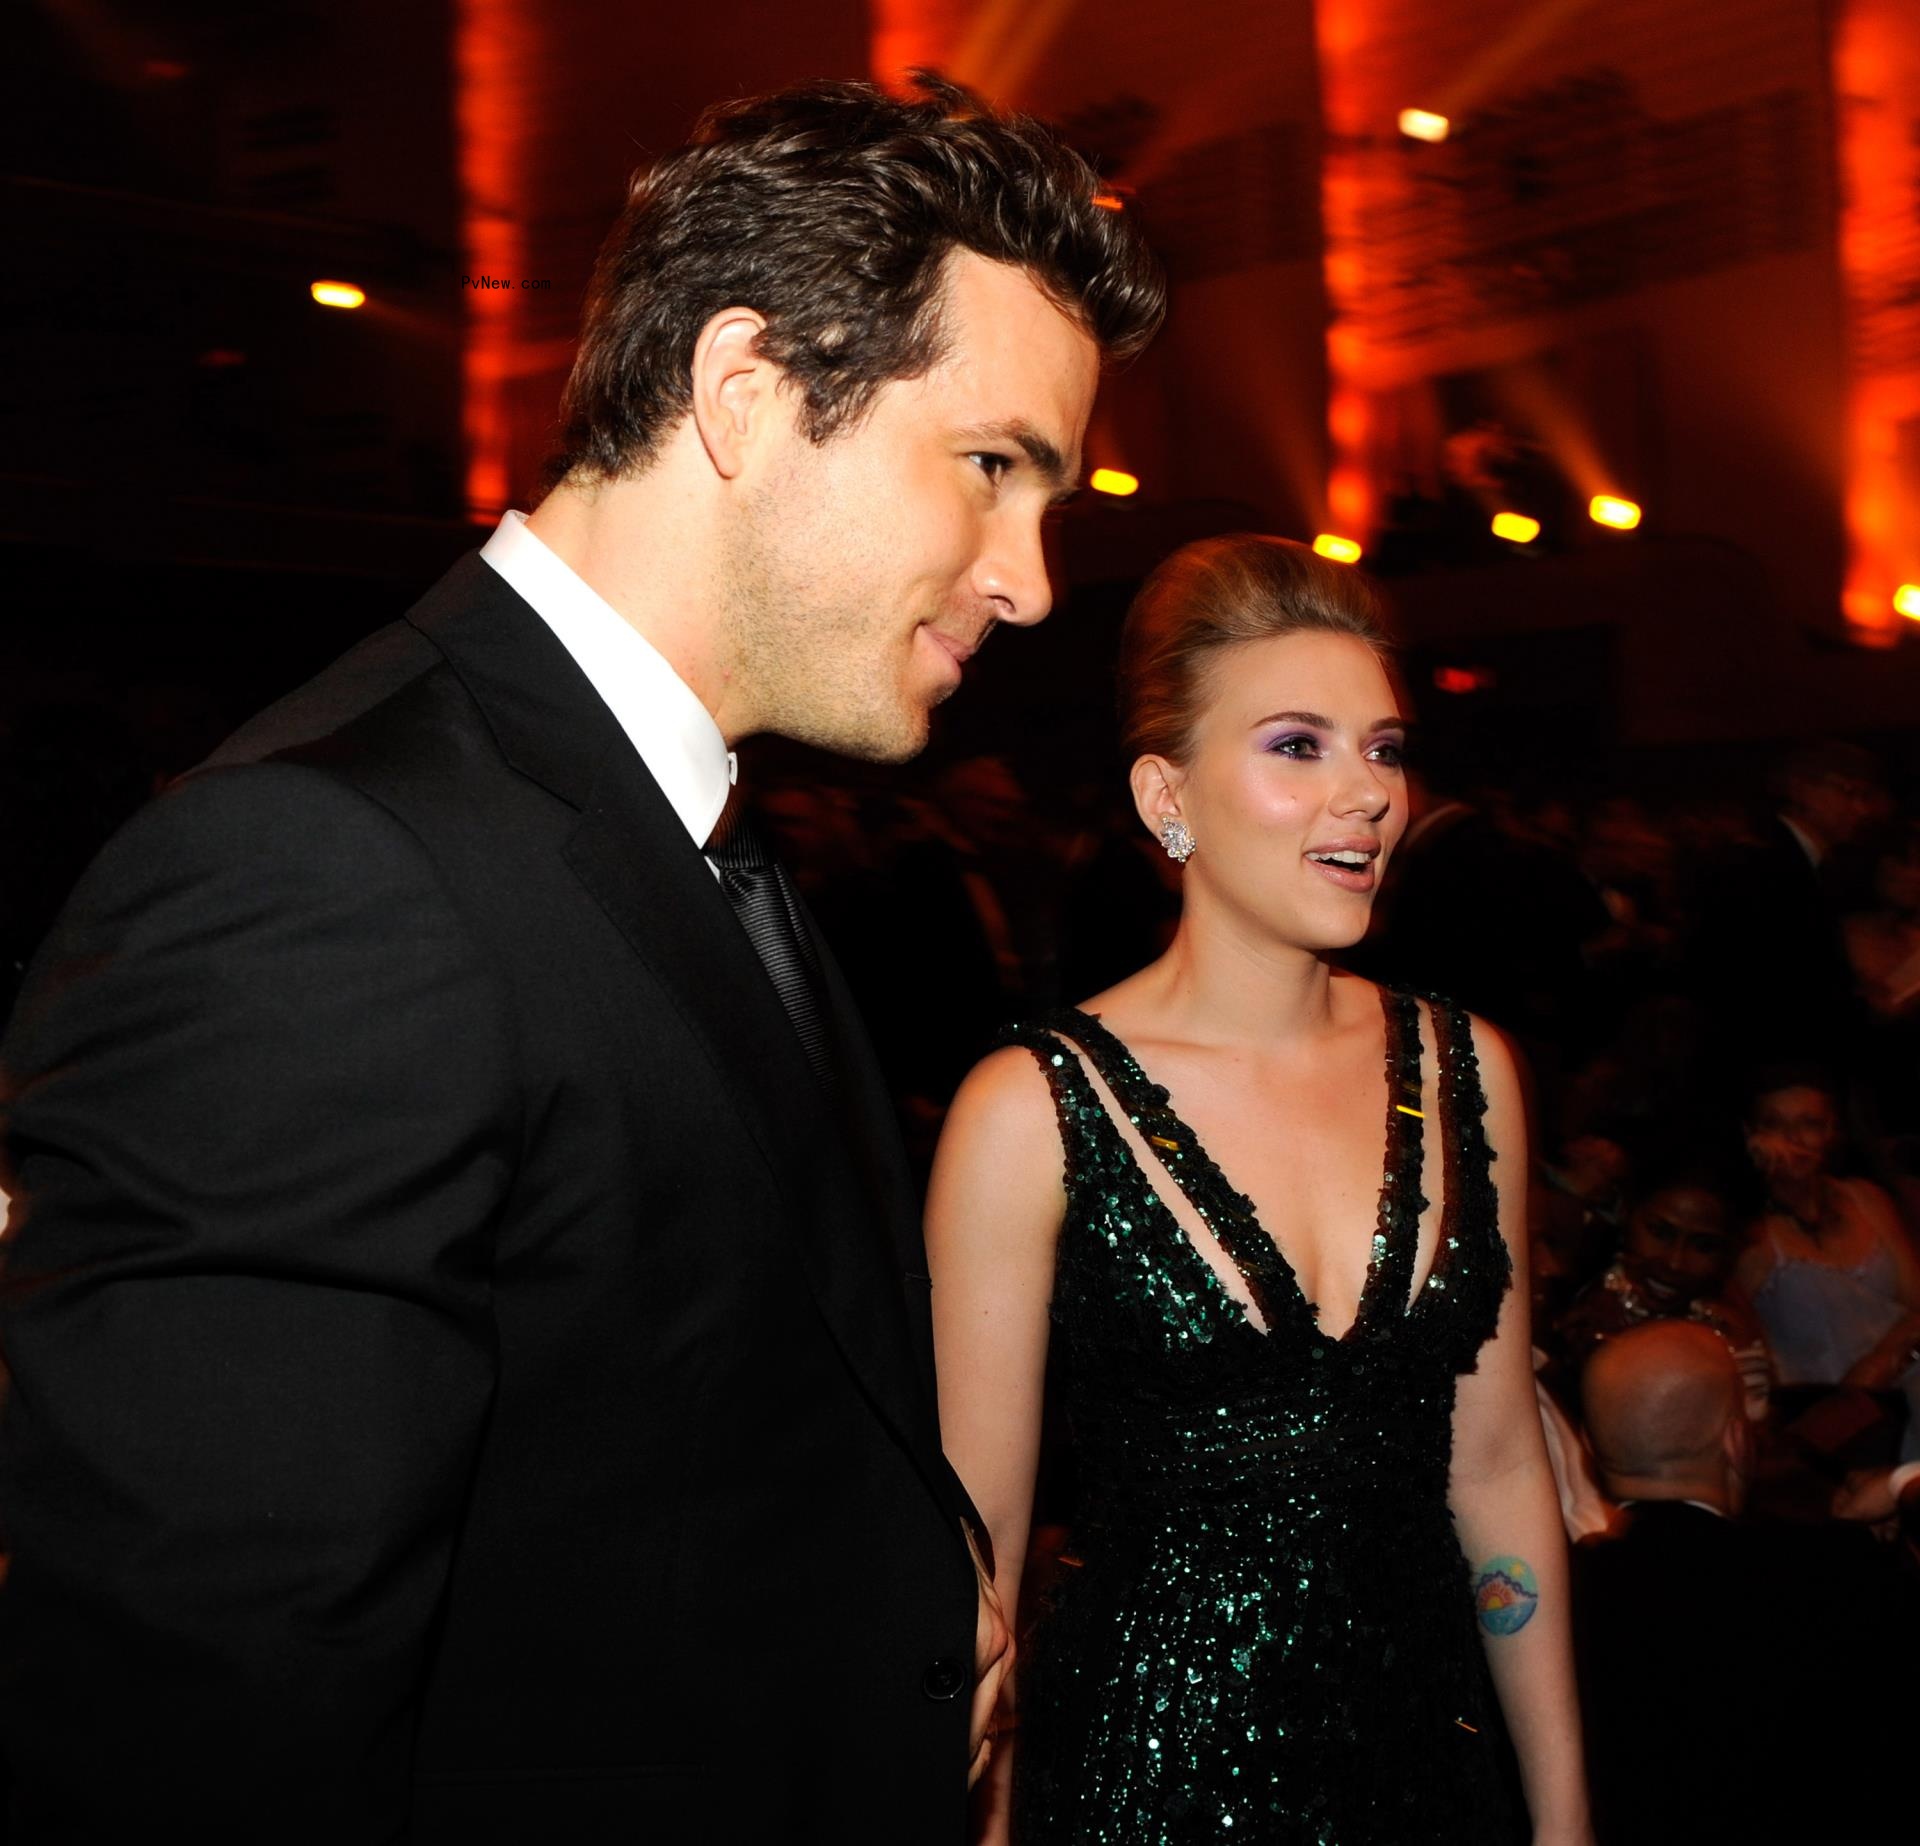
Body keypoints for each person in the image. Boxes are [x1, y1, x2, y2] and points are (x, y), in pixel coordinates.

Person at [0, 76, 1164, 1842]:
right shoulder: (323, 878)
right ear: (746, 394)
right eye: (992, 467)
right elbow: (215, 1721)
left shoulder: (671, 821)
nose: (1030, 579)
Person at [927, 536, 1589, 1844]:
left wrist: (1563, 1813)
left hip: (1425, 1782)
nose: (1367, 796)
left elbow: (1504, 1465)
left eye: (1385, 749)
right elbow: (980, 1559)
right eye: (1299, 745)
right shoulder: (1033, 1111)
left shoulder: (1468, 1070)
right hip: (1141, 1788)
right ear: (1166, 796)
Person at [1575, 1321, 1918, 1843]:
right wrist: (1902, 1483)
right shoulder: (1834, 1573)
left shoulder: (1564, 1595)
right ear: (1737, 1441)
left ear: (1589, 1451)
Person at [1735, 1067, 1920, 1462]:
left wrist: (1878, 1364)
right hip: (1824, 1425)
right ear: (1751, 1134)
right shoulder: (1749, 1233)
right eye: (1775, 1124)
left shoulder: (1866, 1199)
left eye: (1809, 1124)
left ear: (1831, 1131)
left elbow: (1917, 1306)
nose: (1793, 1140)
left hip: (1902, 1387)